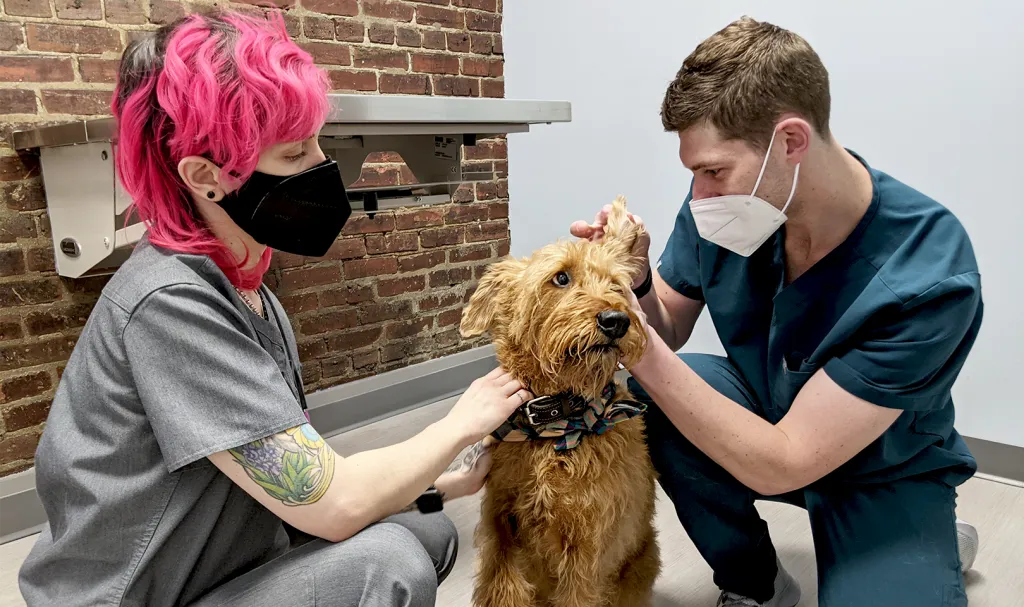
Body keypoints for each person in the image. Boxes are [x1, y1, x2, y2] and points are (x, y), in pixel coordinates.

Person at [18, 10, 532, 607]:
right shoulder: (170, 306)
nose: (321, 169)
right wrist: (460, 422)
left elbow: (295, 475)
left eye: (318, 144)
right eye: (294, 156)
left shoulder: (243, 285)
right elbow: (334, 505)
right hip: (136, 596)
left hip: (223, 558)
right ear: (206, 176)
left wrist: (444, 484)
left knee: (427, 527)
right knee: (386, 565)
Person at [572, 16, 982, 607]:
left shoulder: (929, 271)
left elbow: (782, 464)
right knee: (658, 400)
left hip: (882, 469)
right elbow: (671, 328)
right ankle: (755, 584)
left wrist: (624, 336)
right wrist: (634, 282)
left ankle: (922, 541)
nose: (700, 195)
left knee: (895, 583)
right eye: (694, 173)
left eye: (713, 170)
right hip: (766, 413)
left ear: (791, 141)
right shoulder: (735, 205)